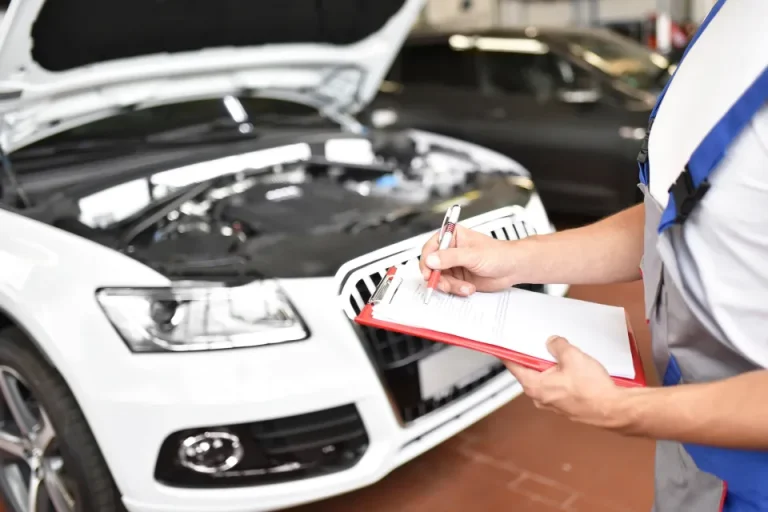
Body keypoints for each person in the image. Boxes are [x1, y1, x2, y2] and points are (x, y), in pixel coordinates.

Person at [418, 1, 768, 510]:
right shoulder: (737, 22)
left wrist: (622, 409)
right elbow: (679, 219)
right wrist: (514, 259)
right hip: (696, 448)